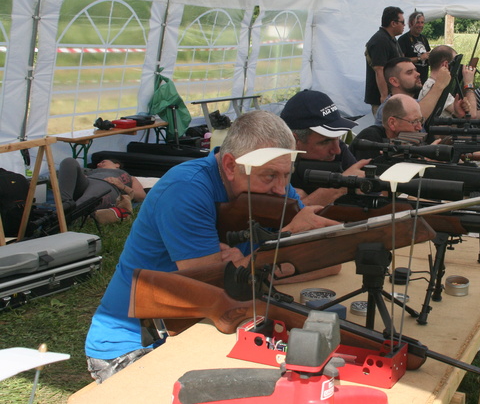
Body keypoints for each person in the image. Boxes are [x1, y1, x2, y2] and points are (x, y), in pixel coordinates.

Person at [84, 111, 339, 384]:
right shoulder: (186, 189)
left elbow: (328, 262)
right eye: (270, 176)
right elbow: (210, 288)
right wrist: (284, 240)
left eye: (286, 175)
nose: (281, 188)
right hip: (134, 344)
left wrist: (248, 265)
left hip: (212, 324)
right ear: (230, 165)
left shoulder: (274, 186)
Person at [280, 89, 369, 206]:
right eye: (325, 141)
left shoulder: (338, 149)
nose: (336, 150)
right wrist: (341, 187)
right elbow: (282, 217)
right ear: (294, 140)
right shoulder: (273, 163)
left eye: (337, 138)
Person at [57, 157, 145, 223]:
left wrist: (121, 186)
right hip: (87, 182)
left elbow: (141, 196)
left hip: (108, 186)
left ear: (117, 165)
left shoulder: (128, 176)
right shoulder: (91, 171)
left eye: (103, 162)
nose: (99, 164)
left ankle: (67, 215)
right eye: (98, 164)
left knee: (89, 197)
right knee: (69, 161)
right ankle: (65, 203)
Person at [352, 95, 424, 160]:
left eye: (420, 120)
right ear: (392, 123)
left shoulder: (412, 139)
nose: (419, 127)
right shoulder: (370, 137)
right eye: (414, 121)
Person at [364, 6, 405, 114]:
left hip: (393, 94)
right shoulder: (380, 41)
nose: (404, 25)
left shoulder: (391, 39)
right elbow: (379, 70)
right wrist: (384, 97)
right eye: (402, 22)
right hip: (383, 98)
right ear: (393, 23)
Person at [397, 11, 431, 82]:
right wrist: (419, 58)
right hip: (409, 81)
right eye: (417, 22)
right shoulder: (403, 39)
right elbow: (401, 61)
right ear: (411, 23)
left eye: (422, 22)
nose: (420, 25)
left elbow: (428, 56)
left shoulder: (423, 38)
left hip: (423, 79)